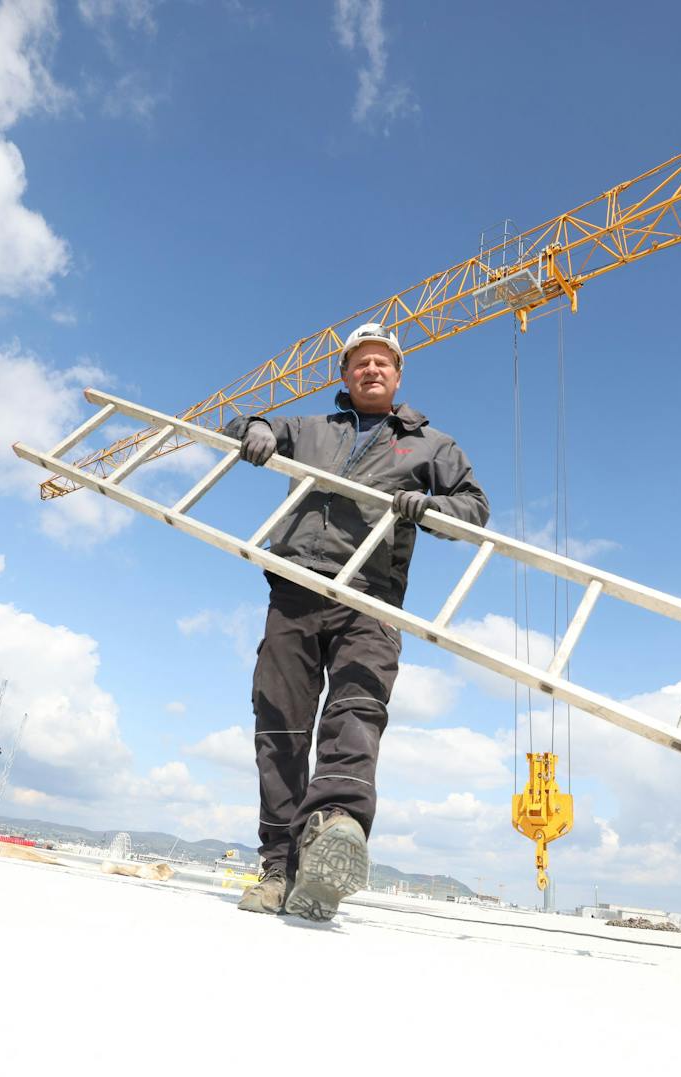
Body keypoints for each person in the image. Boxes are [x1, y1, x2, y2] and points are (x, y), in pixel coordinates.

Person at [221, 322, 490, 921]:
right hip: (295, 589)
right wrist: (258, 428)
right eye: (360, 363)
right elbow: (240, 422)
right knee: (281, 726)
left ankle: (331, 836)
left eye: (383, 364)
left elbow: (474, 509)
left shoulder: (431, 445)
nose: (372, 370)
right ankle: (277, 868)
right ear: (344, 376)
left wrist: (433, 506)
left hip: (371, 597)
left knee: (355, 714)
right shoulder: (311, 429)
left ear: (398, 377)